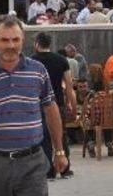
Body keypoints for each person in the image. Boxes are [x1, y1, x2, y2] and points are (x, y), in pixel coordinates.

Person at [0, 16, 68, 196]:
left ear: (23, 40)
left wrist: (60, 151)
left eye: (15, 39)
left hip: (32, 162)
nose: (11, 45)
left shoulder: (38, 70)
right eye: (4, 40)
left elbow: (51, 109)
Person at [31, 32, 77, 178]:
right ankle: (65, 168)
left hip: (38, 105)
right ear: (50, 44)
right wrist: (72, 105)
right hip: (58, 102)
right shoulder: (61, 60)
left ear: (37, 44)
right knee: (60, 134)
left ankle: (48, 170)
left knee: (44, 136)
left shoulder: (31, 61)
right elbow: (69, 86)